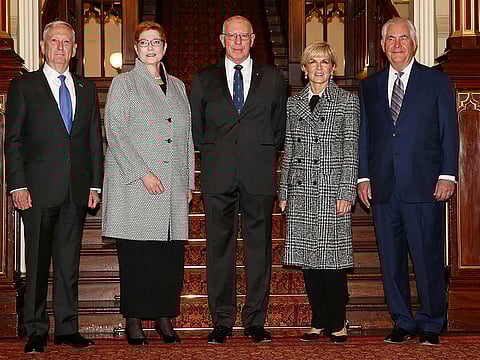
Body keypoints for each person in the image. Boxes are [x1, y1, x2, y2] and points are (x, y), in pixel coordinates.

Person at [358, 17, 457, 346]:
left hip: (424, 185)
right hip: (384, 186)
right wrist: (363, 176)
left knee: (428, 256)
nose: (397, 44)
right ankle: (401, 320)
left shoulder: (436, 82)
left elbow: (448, 132)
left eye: (404, 38)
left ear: (414, 44)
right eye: (391, 39)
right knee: (391, 259)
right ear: (383, 46)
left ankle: (431, 322)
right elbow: (366, 136)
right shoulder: (369, 86)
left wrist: (447, 174)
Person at [5, 21, 103, 353]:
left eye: (67, 43)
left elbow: (93, 142)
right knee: (36, 263)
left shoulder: (87, 89)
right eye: (54, 42)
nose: (61, 48)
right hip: (36, 190)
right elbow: (13, 141)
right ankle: (35, 329)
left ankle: (67, 328)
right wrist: (17, 184)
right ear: (43, 48)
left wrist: (95, 185)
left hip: (76, 190)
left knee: (67, 263)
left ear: (75, 50)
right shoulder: (24, 86)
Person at [190, 15, 286, 344]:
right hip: (218, 176)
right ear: (221, 39)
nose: (238, 41)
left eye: (244, 36)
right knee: (219, 249)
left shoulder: (273, 78)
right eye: (232, 36)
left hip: (258, 175)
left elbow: (278, 130)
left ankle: (255, 320)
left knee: (259, 250)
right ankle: (222, 320)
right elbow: (197, 132)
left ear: (253, 39)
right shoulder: (203, 79)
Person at [102, 21, 194, 346]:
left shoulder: (180, 86)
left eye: (156, 42)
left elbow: (186, 137)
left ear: (165, 47)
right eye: (144, 42)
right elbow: (114, 131)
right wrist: (143, 172)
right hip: (137, 186)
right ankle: (134, 320)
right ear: (136, 49)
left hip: (172, 187)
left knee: (168, 257)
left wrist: (188, 182)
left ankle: (165, 318)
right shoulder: (123, 83)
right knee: (138, 256)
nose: (151, 47)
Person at [278, 41, 359, 344]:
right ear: (304, 69)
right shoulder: (293, 104)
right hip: (301, 189)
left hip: (331, 190)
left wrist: (346, 191)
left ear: (333, 68)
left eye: (325, 62)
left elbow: (351, 150)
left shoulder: (347, 102)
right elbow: (289, 149)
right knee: (309, 261)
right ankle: (318, 320)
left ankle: (338, 321)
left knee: (333, 260)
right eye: (313, 62)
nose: (319, 68)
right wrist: (284, 189)